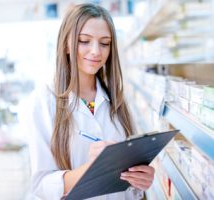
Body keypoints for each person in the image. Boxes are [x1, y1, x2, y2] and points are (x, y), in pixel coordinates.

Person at [25, 3, 155, 200]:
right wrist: (92, 168)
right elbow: (41, 185)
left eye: (104, 43)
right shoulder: (43, 100)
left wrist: (140, 181)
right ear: (66, 45)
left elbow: (130, 188)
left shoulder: (117, 99)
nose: (96, 51)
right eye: (84, 41)